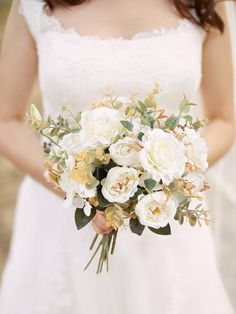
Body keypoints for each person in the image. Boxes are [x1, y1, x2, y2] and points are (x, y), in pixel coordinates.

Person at [0, 0, 235, 313]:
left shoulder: (203, 4)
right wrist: (80, 190)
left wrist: (165, 179)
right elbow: (5, 120)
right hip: (61, 219)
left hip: (164, 218)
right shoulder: (36, 4)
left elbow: (224, 119)